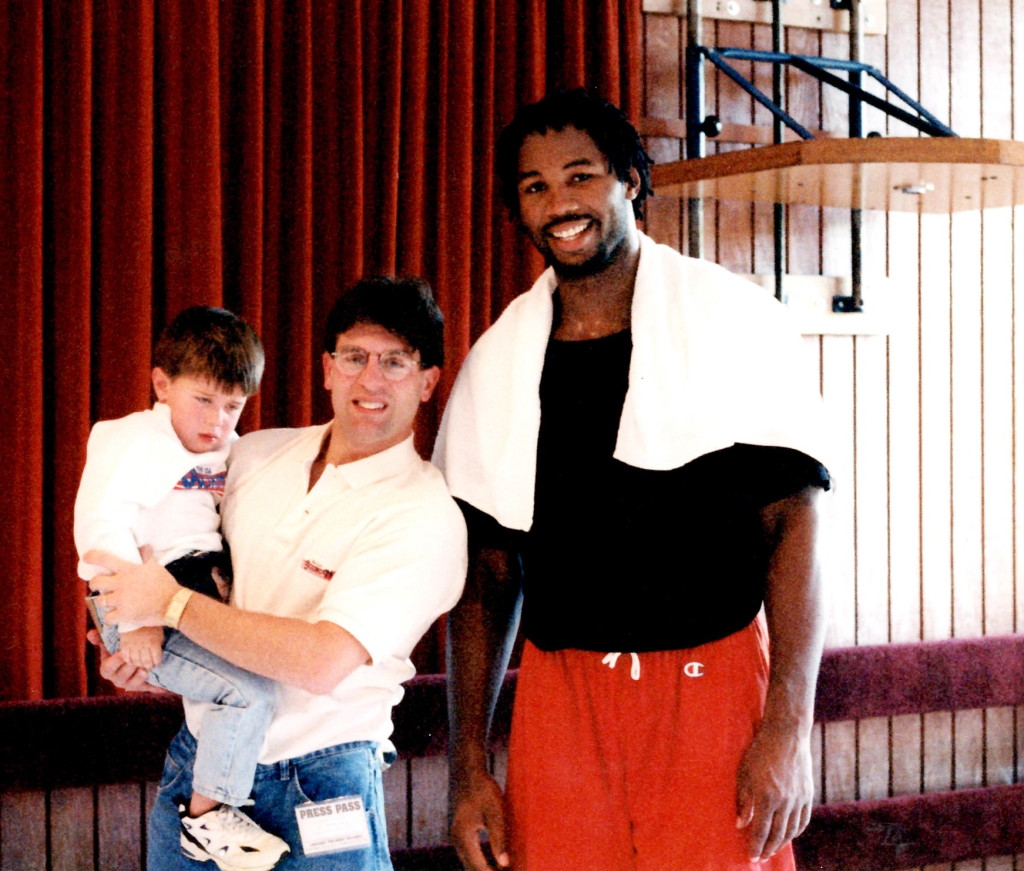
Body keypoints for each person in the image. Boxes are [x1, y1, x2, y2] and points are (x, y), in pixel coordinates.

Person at [433, 89, 833, 871]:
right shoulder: (499, 361)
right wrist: (468, 768)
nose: (560, 204)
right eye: (535, 186)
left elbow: (796, 526)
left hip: (712, 688)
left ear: (631, 181)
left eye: (580, 176)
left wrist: (788, 727)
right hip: (561, 700)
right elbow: (484, 584)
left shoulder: (732, 318)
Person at [86, 277, 468, 871]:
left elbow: (319, 663)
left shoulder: (424, 517)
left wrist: (166, 606)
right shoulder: (251, 454)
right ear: (326, 369)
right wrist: (148, 655)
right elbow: (147, 536)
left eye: (395, 361)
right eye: (354, 357)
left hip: (320, 784)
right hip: (201, 765)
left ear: (428, 381)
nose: (371, 379)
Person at [75, 305, 291, 870]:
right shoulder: (130, 438)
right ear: (162, 384)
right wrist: (137, 618)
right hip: (135, 599)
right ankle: (205, 821)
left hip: (189, 595)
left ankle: (210, 812)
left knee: (251, 685)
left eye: (233, 405)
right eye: (203, 400)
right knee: (247, 694)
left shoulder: (228, 449)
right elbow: (99, 529)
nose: (217, 420)